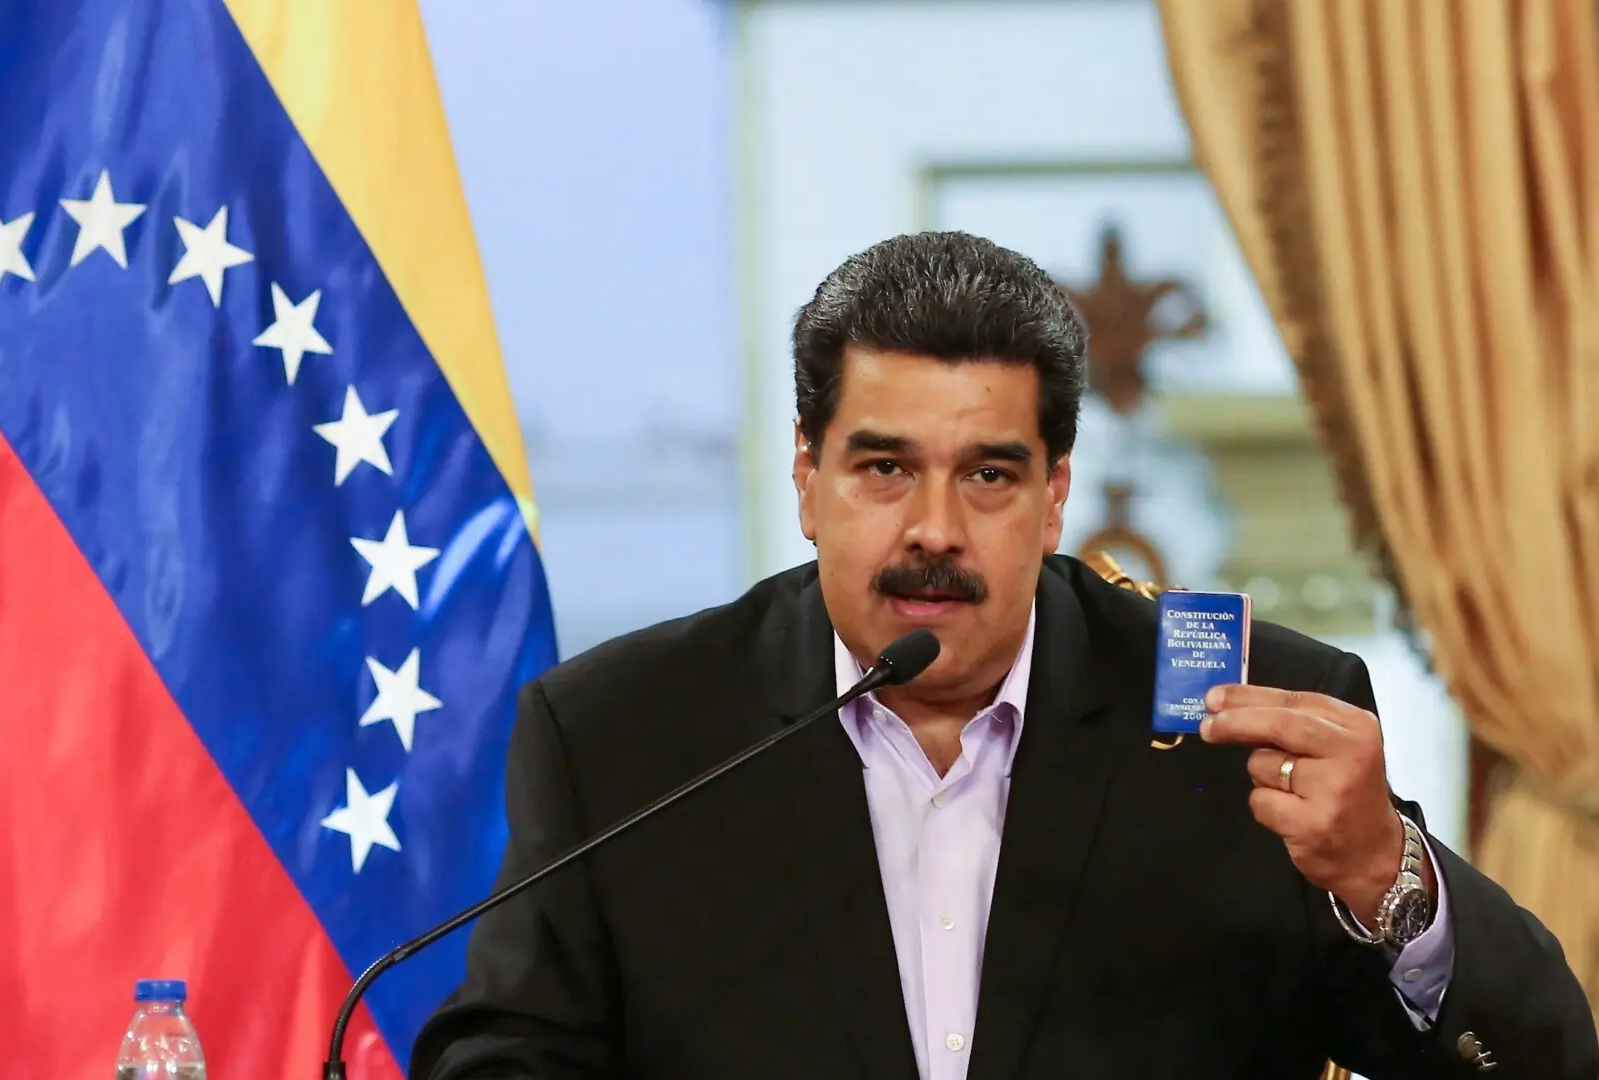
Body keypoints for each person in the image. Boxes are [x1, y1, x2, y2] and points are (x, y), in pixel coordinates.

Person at [409, 232, 1597, 1079]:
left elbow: (1541, 1060)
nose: (934, 528)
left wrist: (1386, 876)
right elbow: (509, 1052)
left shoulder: (1257, 727)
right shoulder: (625, 733)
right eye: (883, 468)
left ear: (1055, 496)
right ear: (806, 478)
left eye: (989, 473)